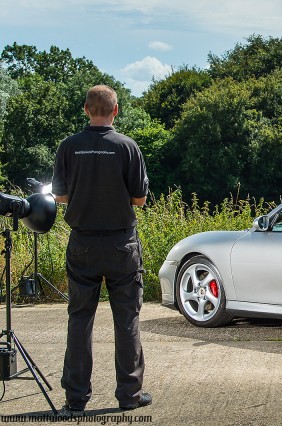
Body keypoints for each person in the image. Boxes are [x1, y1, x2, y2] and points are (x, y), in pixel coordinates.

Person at [52, 85, 151, 413]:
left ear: (86, 109)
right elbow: (139, 199)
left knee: (80, 319)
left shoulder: (68, 147)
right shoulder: (127, 147)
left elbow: (61, 197)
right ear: (116, 110)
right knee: (127, 319)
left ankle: (75, 400)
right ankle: (129, 396)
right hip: (122, 243)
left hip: (82, 243)